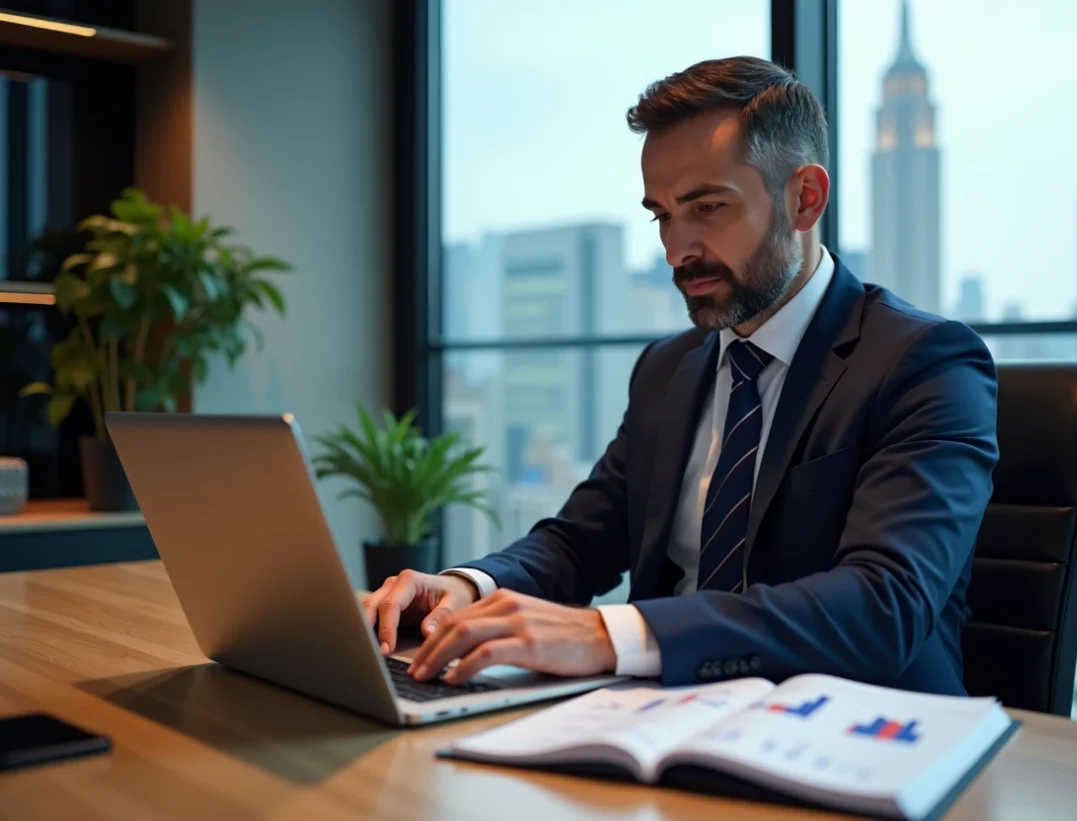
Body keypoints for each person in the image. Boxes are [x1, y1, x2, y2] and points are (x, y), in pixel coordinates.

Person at [363, 56, 999, 696]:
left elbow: (885, 605)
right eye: (663, 215)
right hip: (660, 716)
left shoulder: (924, 363)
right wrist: (467, 586)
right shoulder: (668, 368)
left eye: (708, 207)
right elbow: (580, 543)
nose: (676, 250)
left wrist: (607, 634)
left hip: (858, 727)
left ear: (805, 198)